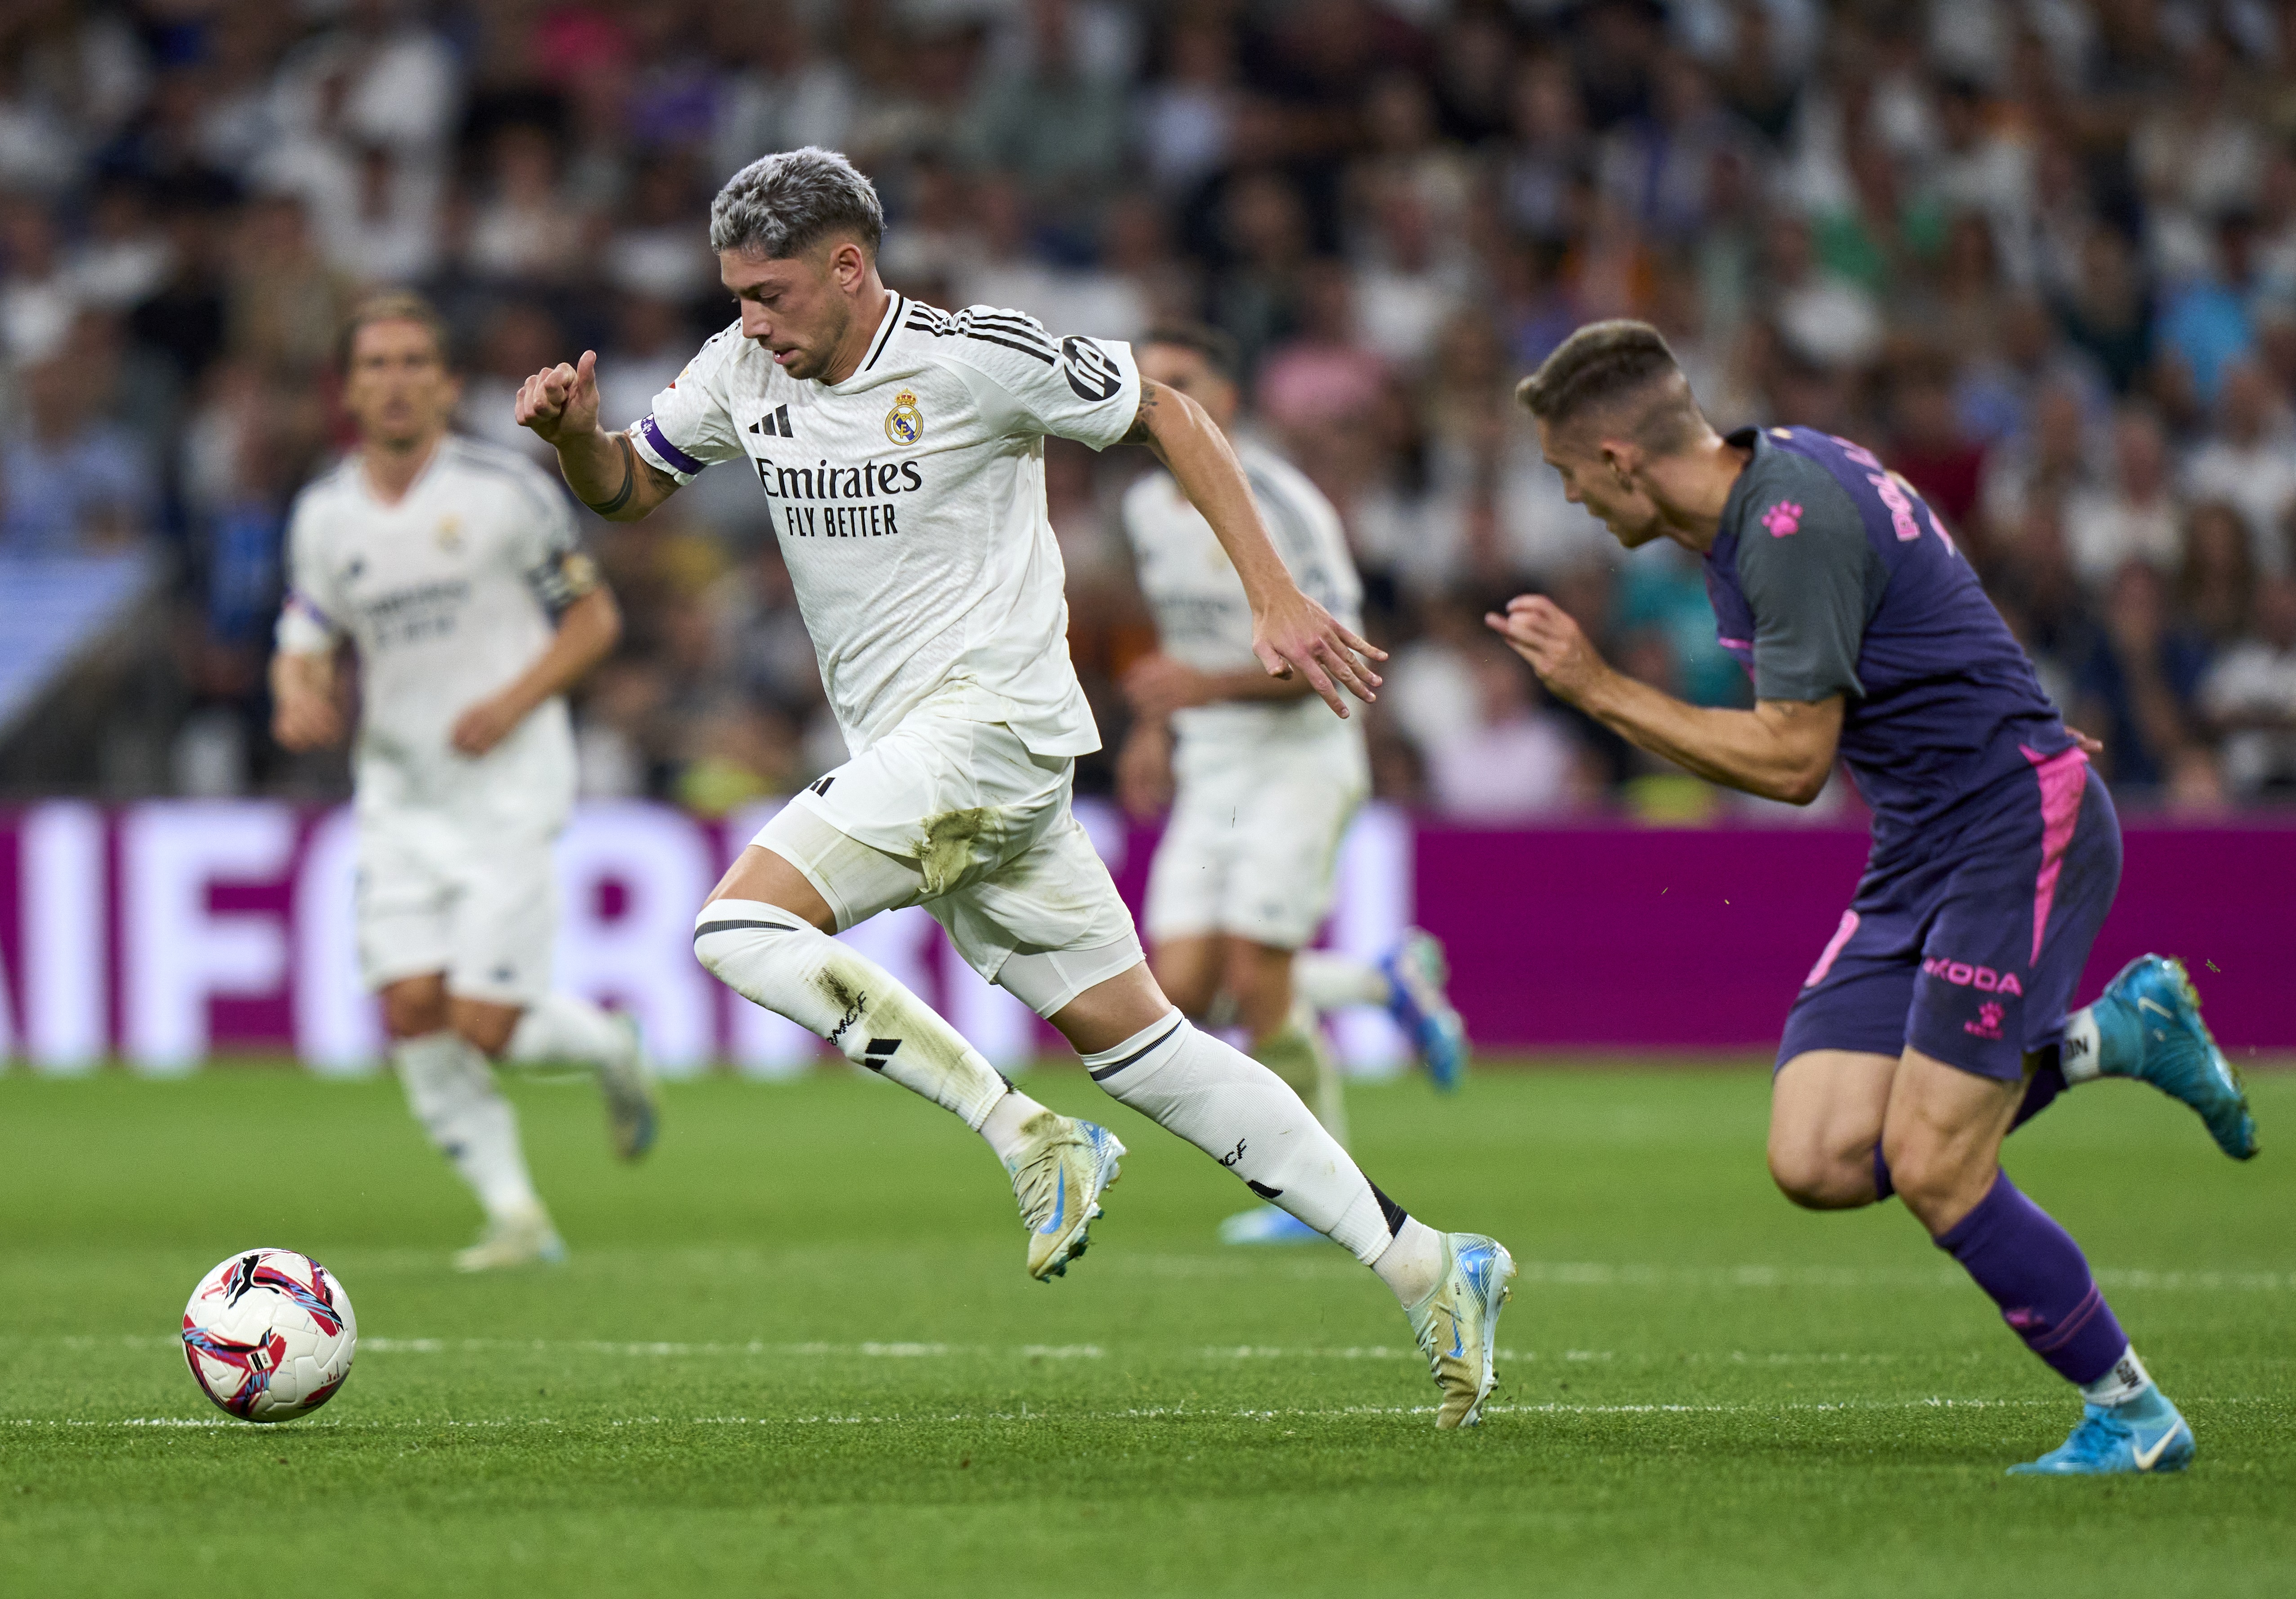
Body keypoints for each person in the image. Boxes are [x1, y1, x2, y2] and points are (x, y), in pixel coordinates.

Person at [516, 147, 1513, 1428]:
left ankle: (1017, 1130)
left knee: (736, 927)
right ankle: (1429, 1258)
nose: (749, 321)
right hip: (956, 769)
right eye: (735, 296)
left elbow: (1167, 410)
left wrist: (1272, 593)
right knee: (1150, 1048)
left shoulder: (976, 357)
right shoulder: (737, 369)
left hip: (984, 729)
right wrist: (572, 444)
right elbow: (630, 492)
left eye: (768, 294)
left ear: (847, 266)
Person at [1492, 319, 2257, 1476]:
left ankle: (2133, 1413)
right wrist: (2010, 702)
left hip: (2006, 827)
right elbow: (1929, 600)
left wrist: (1595, 687)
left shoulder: (1787, 526)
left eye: (1564, 474)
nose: (1568, 501)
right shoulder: (1771, 483)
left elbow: (1793, 765)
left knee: (1938, 1167)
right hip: (1923, 844)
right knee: (1816, 1157)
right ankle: (2108, 1036)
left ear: (1617, 459)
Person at [272, 291, 658, 1272]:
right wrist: (297, 694)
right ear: (349, 389)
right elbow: (306, 638)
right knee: (409, 1009)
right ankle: (515, 1210)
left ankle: (610, 1045)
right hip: (401, 793)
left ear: (447, 384)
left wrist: (513, 699)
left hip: (509, 786)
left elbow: (594, 621)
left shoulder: (504, 490)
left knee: (484, 1026)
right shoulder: (324, 515)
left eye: (414, 362)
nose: (396, 381)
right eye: (376, 364)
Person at [1115, 319, 1468, 1247]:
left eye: (1178, 382)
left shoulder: (1287, 505)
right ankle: (1378, 978)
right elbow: (1187, 634)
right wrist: (1160, 720)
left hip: (1300, 756)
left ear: (1224, 402)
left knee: (1259, 980)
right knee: (1181, 992)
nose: (1155, 403)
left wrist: (1201, 687)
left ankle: (1321, 1197)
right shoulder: (1149, 507)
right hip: (1211, 761)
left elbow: (1341, 654)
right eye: (1144, 385)